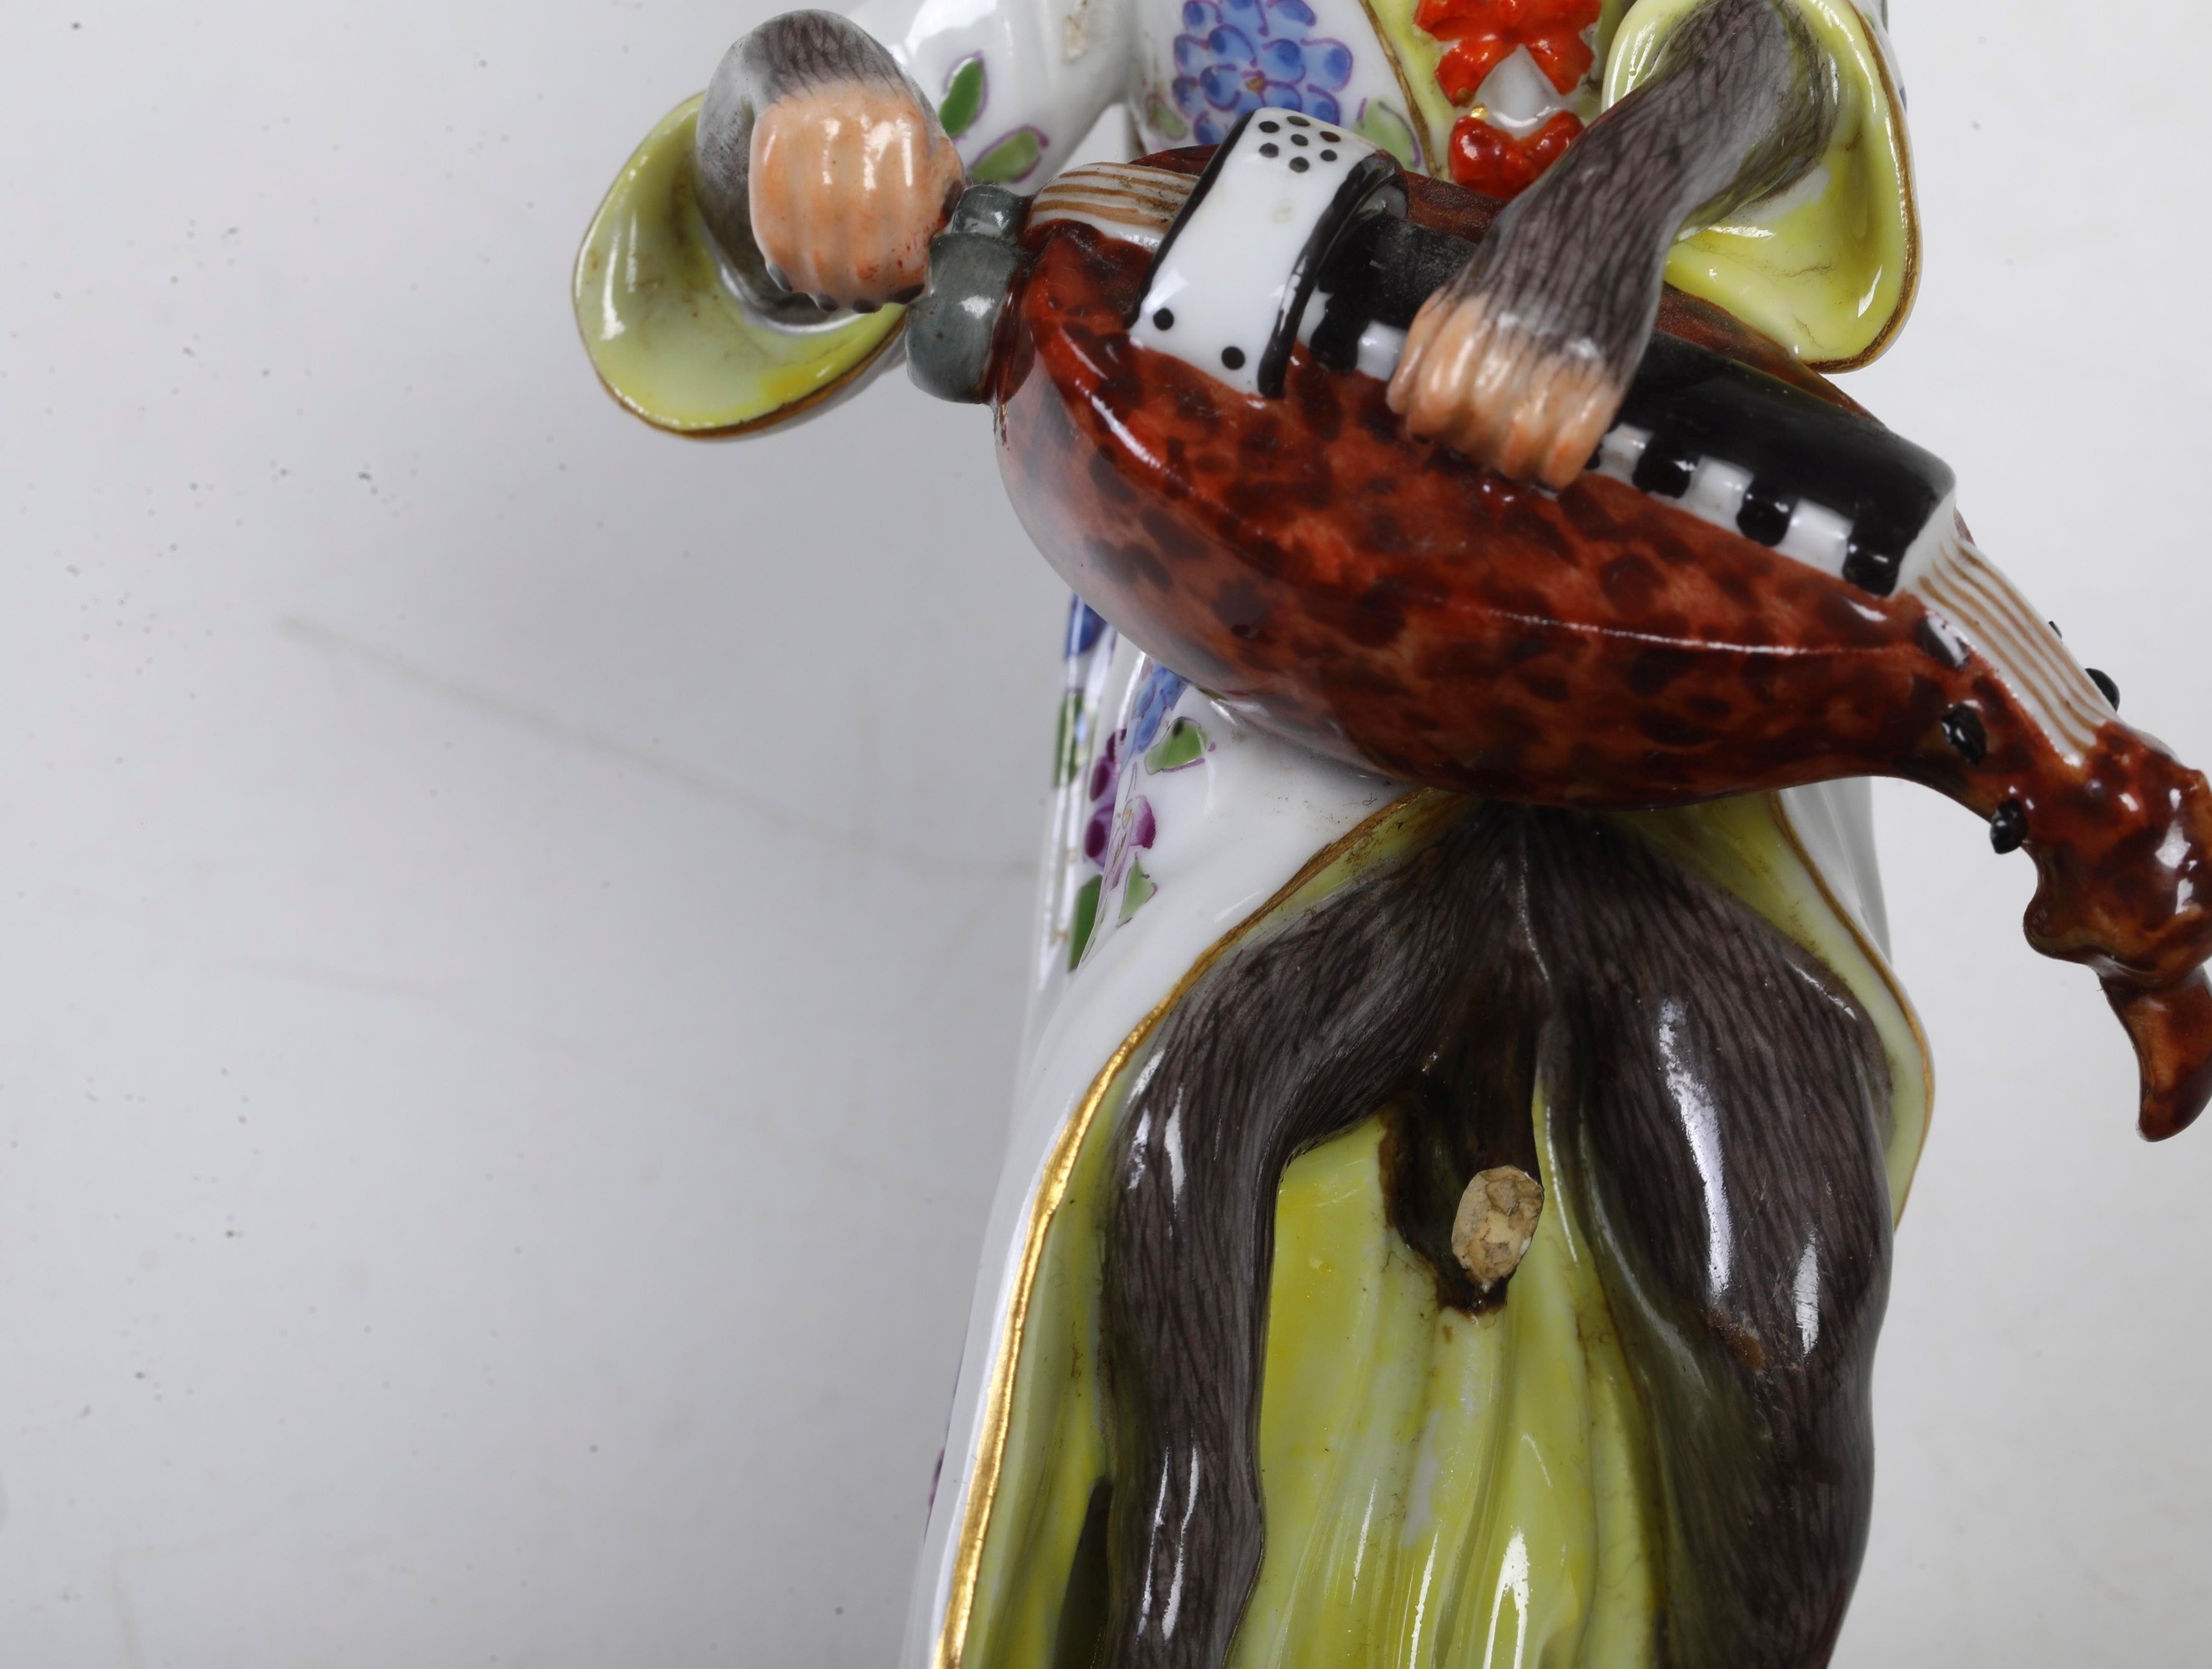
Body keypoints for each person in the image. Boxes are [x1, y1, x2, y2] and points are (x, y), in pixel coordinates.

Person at [576, 5, 1936, 1664]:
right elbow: (905, 110)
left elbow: (1785, 75)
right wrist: (805, 116)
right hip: (1256, 643)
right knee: (1180, 1204)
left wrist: (1623, 190)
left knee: (1779, 1306)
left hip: (1682, 641)